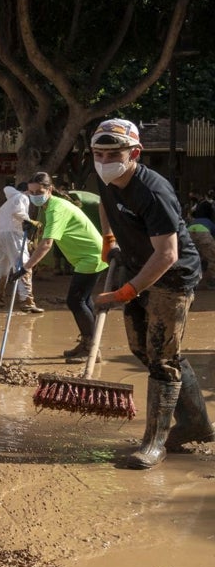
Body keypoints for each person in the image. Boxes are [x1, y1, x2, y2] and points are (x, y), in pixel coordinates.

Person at [92, 119, 213, 468]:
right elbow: (106, 205)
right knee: (144, 350)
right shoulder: (108, 180)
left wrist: (124, 293)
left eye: (113, 153)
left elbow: (167, 254)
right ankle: (197, 424)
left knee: (162, 360)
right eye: (98, 154)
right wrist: (110, 240)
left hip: (171, 278)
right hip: (136, 266)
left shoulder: (152, 191)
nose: (104, 160)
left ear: (135, 153)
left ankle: (154, 443)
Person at [20, 172, 107, 359]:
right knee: (84, 300)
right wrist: (33, 226)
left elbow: (47, 244)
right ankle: (91, 344)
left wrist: (26, 266)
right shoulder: (49, 206)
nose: (34, 196)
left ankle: (90, 347)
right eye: (31, 192)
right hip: (88, 256)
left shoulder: (56, 208)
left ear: (49, 189)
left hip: (90, 257)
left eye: (38, 192)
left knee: (75, 300)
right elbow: (46, 232)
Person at [0, 181, 38, 311]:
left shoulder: (5, 204)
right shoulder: (22, 197)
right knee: (24, 264)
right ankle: (26, 301)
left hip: (0, 235)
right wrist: (30, 221)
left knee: (3, 266)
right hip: (13, 233)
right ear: (27, 191)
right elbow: (18, 212)